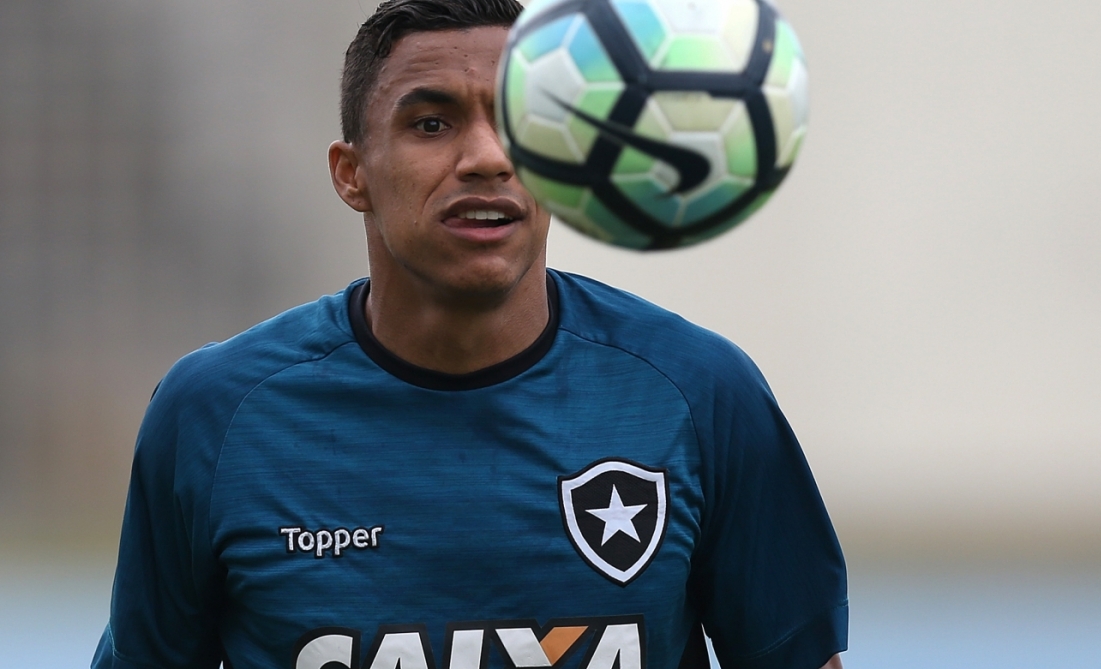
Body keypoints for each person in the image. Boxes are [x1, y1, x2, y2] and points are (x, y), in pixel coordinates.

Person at [91, 1, 848, 668]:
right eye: (431, 123)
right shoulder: (216, 414)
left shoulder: (701, 394)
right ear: (352, 174)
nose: (487, 158)